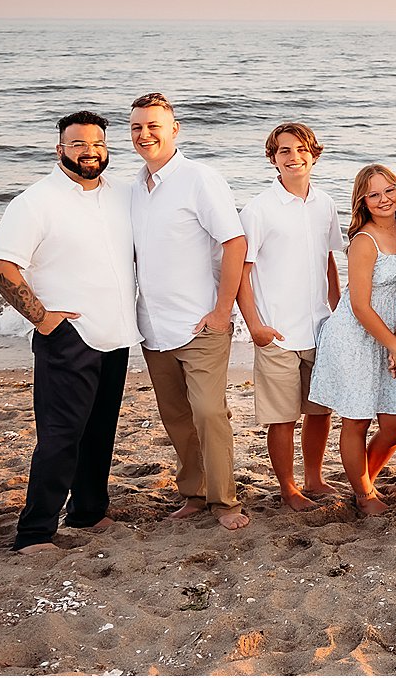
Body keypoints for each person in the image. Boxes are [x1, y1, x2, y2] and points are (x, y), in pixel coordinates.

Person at [0, 111, 138, 553]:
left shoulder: (121, 194)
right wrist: (43, 318)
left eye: (98, 144)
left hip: (115, 333)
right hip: (68, 338)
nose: (90, 151)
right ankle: (34, 533)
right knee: (60, 435)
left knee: (100, 429)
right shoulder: (36, 201)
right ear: (60, 150)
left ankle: (88, 512)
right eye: (78, 144)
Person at [128, 93, 250, 530]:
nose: (145, 134)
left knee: (209, 413)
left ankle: (225, 502)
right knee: (176, 416)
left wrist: (222, 310)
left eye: (154, 126)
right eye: (137, 127)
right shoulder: (133, 190)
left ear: (174, 129)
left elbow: (234, 243)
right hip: (153, 325)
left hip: (201, 323)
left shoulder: (199, 178)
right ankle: (194, 493)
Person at [235, 122, 341, 511]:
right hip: (276, 331)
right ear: (272, 159)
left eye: (300, 149)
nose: (293, 157)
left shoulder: (325, 203)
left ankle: (314, 478)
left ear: (314, 154)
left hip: (319, 328)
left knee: (319, 412)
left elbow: (328, 260)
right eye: (284, 151)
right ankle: (288, 488)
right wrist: (255, 326)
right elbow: (241, 272)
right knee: (282, 418)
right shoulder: (259, 209)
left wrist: (338, 311)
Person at [307, 165, 396, 516]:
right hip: (358, 336)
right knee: (357, 420)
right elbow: (358, 305)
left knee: (395, 424)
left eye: (389, 190)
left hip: (391, 335)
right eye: (374, 194)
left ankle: (363, 478)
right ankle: (363, 494)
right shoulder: (363, 241)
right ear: (362, 201)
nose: (384, 199)